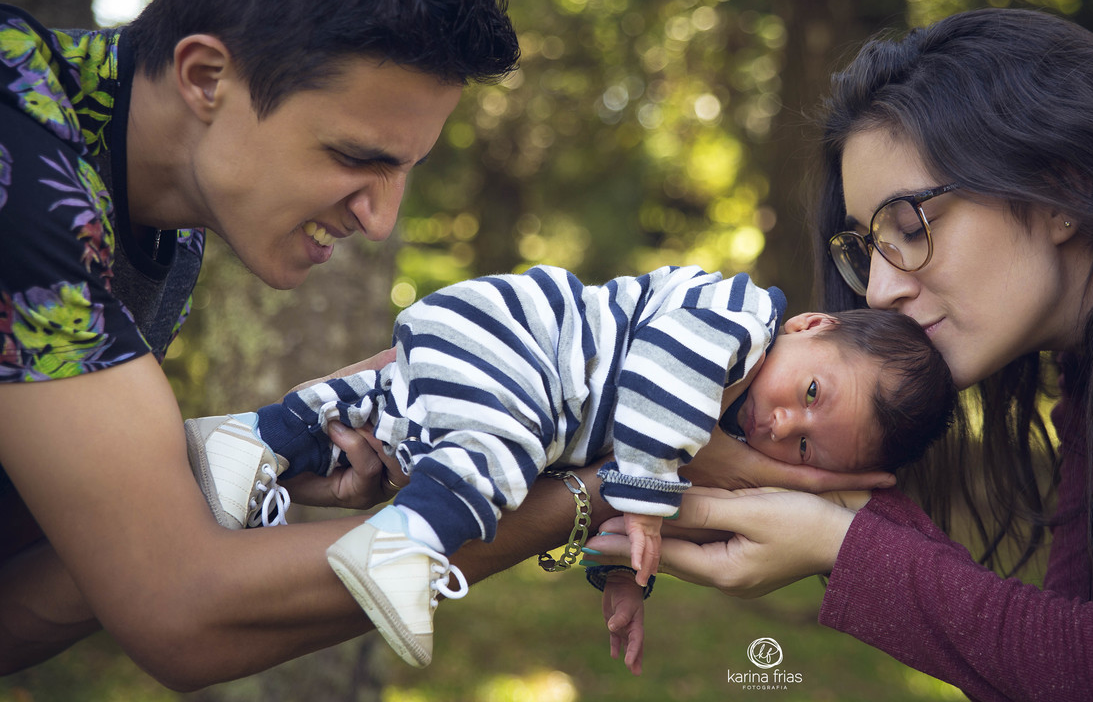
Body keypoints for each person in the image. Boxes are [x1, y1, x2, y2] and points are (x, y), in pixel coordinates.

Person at [0, 0, 901, 687]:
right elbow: (184, 616)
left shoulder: (143, 209)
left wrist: (435, 415)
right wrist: (601, 490)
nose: (381, 218)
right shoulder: (30, 190)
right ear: (206, 77)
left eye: (405, 171)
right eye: (356, 158)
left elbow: (58, 596)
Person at [587, 6, 1093, 698]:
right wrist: (827, 508)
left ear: (1062, 187)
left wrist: (837, 546)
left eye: (909, 226)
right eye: (868, 247)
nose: (879, 290)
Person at [183, 264, 955, 669]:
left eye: (808, 449)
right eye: (811, 391)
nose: (782, 424)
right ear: (810, 325)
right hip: (522, 348)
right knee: (503, 449)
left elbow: (635, 476)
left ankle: (254, 441)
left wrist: (625, 573)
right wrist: (652, 497)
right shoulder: (739, 319)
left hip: (491, 360)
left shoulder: (722, 407)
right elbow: (658, 392)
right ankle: (404, 544)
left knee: (376, 413)